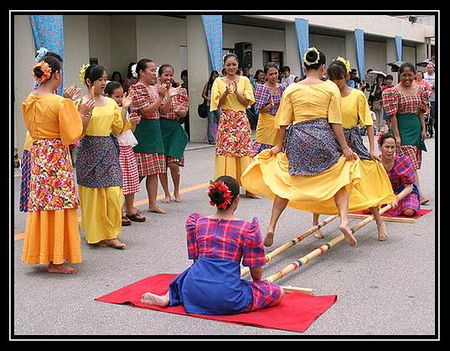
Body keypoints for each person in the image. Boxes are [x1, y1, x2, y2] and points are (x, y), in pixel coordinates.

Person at [241, 47, 361, 248]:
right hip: (323, 139)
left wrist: (278, 146)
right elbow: (335, 122)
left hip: (298, 141)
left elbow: (283, 122)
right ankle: (344, 221)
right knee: (342, 176)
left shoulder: (292, 89)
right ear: (323, 67)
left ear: (304, 67)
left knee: (286, 182)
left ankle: (271, 226)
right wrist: (345, 148)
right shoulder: (330, 88)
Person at [140, 176, 284, 314]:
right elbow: (256, 274)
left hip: (193, 291)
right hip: (227, 297)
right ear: (236, 200)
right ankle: (212, 293)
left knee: (191, 271)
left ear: (213, 199)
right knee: (278, 292)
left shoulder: (197, 223)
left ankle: (168, 297)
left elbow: (196, 261)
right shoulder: (247, 229)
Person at [21, 55, 94, 273]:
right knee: (59, 202)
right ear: (56, 75)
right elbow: (72, 134)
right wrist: (80, 114)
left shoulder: (30, 99)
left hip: (39, 153)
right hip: (55, 155)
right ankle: (57, 260)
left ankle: (42, 252)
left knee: (42, 203)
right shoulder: (60, 102)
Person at [312, 58, 396, 242]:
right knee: (324, 180)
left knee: (365, 178)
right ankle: (315, 223)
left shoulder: (357, 95)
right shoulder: (326, 94)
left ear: (347, 76)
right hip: (330, 141)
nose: (336, 83)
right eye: (332, 79)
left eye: (339, 79)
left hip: (352, 140)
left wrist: (373, 149)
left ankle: (379, 221)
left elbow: (368, 123)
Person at [75, 64, 129, 249]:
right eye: (100, 80)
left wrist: (124, 109)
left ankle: (112, 234)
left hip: (108, 148)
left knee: (113, 193)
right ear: (89, 81)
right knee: (93, 195)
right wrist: (85, 113)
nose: (103, 83)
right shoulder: (80, 103)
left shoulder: (112, 103)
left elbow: (118, 129)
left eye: (105, 79)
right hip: (89, 149)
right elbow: (77, 133)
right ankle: (96, 235)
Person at [210, 53, 259, 198]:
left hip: (241, 119)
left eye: (234, 64)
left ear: (238, 65)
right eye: (228, 65)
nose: (231, 67)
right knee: (227, 152)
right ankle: (226, 188)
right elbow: (217, 103)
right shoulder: (218, 82)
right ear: (224, 66)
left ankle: (249, 189)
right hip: (226, 119)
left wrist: (236, 91)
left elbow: (247, 102)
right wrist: (225, 92)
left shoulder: (244, 80)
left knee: (244, 151)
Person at [382, 62, 429, 205]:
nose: (407, 78)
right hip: (401, 129)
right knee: (410, 163)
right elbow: (393, 116)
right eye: (404, 75)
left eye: (410, 75)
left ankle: (410, 192)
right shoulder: (393, 92)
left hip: (415, 128)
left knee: (413, 162)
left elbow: (421, 112)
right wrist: (396, 135)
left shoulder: (421, 90)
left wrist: (423, 129)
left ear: (415, 74)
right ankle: (418, 193)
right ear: (399, 76)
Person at [128, 58, 168, 214]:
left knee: (154, 170)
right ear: (141, 72)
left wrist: (168, 95)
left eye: (155, 70)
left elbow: (163, 110)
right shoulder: (136, 88)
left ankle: (153, 203)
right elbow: (146, 111)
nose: (154, 73)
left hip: (155, 130)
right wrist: (160, 97)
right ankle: (128, 203)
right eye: (151, 70)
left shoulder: (155, 88)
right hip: (142, 131)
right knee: (139, 171)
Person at [104, 81, 145, 226]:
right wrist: (125, 111)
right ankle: (119, 210)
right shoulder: (109, 109)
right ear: (107, 96)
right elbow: (118, 129)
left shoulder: (124, 108)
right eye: (117, 96)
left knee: (131, 178)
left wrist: (133, 123)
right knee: (120, 182)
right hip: (117, 148)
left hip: (127, 147)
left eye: (122, 96)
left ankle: (130, 208)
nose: (120, 99)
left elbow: (129, 131)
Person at [157, 64, 190, 204]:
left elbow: (184, 111)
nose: (168, 78)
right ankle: (166, 193)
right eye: (166, 75)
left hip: (174, 128)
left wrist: (181, 112)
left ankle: (177, 190)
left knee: (173, 163)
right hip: (160, 128)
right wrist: (168, 97)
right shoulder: (156, 91)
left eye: (171, 75)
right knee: (161, 164)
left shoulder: (180, 91)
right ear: (160, 77)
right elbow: (161, 110)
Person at [378, 133, 420, 217]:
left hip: (403, 193)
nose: (390, 151)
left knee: (409, 211)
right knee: (367, 209)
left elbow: (409, 187)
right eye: (386, 147)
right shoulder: (375, 163)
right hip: (384, 194)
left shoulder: (403, 161)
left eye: (392, 147)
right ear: (380, 147)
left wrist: (396, 199)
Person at [253, 64, 286, 153]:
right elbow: (260, 110)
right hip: (266, 123)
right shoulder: (262, 88)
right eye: (271, 74)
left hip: (279, 123)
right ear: (266, 75)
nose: (274, 76)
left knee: (278, 149)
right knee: (264, 150)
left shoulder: (282, 87)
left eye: (276, 73)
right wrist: (270, 105)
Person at [201, 70, 221, 145]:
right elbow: (203, 94)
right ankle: (211, 139)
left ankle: (221, 137)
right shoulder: (208, 84)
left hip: (217, 105)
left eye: (216, 76)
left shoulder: (219, 85)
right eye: (214, 76)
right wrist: (208, 98)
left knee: (220, 121)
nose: (215, 78)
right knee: (211, 122)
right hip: (210, 105)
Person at [423, 62, 435, 131]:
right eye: (428, 68)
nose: (429, 69)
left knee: (433, 114)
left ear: (433, 69)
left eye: (430, 68)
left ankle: (433, 126)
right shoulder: (424, 75)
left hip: (434, 97)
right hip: (425, 98)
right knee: (426, 113)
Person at [180, 69, 190, 139]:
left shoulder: (189, 85)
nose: (184, 78)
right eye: (183, 76)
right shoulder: (181, 86)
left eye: (185, 76)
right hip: (183, 105)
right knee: (185, 120)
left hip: (189, 105)